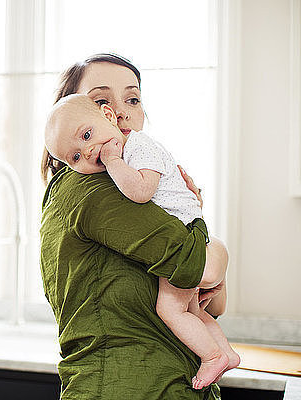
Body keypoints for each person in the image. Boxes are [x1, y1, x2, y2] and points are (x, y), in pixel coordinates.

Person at [39, 53, 227, 399]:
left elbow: (213, 304)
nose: (119, 111)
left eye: (132, 99)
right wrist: (210, 239)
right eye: (100, 100)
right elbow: (204, 269)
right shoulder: (93, 188)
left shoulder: (144, 185)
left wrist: (194, 217)